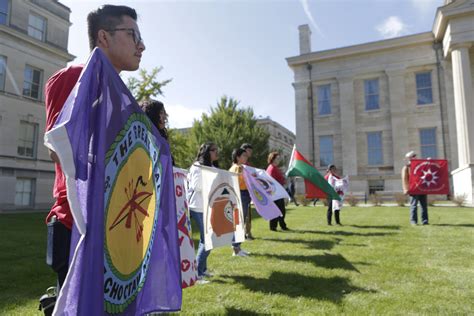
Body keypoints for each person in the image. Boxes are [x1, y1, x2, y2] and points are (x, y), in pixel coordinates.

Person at [42, 4, 145, 310]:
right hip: (78, 224)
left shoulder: (121, 93)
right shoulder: (73, 76)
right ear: (104, 36)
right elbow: (56, 147)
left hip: (115, 223)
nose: (142, 45)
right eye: (133, 34)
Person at [187, 142, 219, 283]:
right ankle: (197, 274)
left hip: (208, 206)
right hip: (198, 207)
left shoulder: (211, 167)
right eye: (214, 150)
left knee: (205, 239)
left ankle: (202, 270)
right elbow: (196, 185)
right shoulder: (197, 167)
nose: (216, 153)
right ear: (207, 152)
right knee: (207, 240)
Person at [229, 148, 251, 256]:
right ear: (237, 157)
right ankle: (236, 249)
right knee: (239, 222)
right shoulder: (237, 168)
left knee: (240, 222)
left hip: (242, 195)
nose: (246, 157)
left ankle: (238, 248)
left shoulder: (240, 168)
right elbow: (238, 182)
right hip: (240, 195)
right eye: (244, 155)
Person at [402, 151, 429, 225]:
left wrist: (429, 161)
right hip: (413, 189)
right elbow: (404, 179)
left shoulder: (421, 165)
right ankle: (413, 221)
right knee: (414, 206)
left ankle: (425, 221)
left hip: (422, 188)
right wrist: (406, 189)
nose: (414, 157)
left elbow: (428, 171)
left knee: (424, 206)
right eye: (412, 156)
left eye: (414, 156)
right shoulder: (406, 167)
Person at [266, 152, 289, 231]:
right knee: (279, 210)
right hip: (275, 193)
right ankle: (277, 226)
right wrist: (283, 180)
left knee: (278, 210)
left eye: (279, 158)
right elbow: (272, 181)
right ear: (272, 159)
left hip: (276, 192)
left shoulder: (274, 167)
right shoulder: (272, 168)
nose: (278, 160)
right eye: (277, 158)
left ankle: (277, 226)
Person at [241, 143, 254, 240]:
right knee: (243, 214)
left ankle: (248, 233)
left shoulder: (248, 164)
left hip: (248, 192)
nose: (250, 153)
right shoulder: (240, 165)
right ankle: (242, 235)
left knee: (248, 214)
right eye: (249, 151)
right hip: (242, 192)